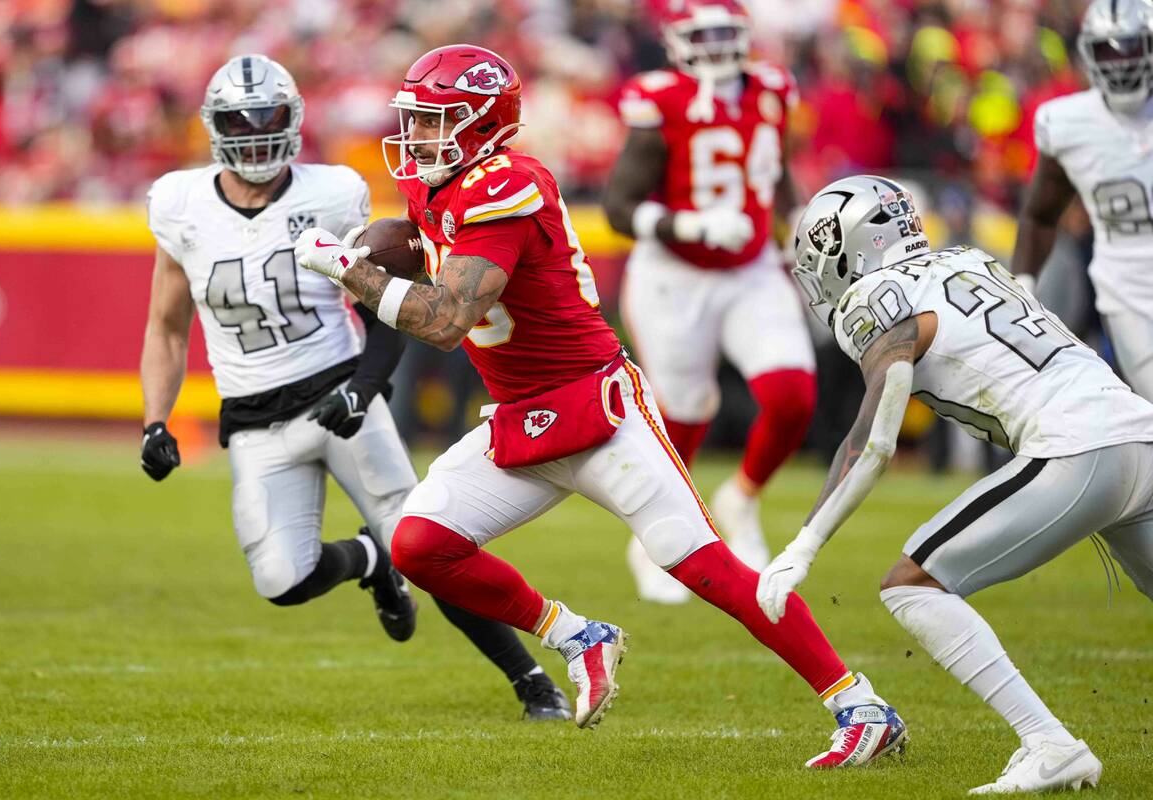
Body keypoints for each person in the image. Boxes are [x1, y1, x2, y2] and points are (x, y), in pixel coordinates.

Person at [294, 44, 907, 767]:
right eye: (417, 121)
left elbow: (445, 320)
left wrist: (351, 268)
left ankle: (860, 704)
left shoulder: (506, 184)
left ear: (485, 125)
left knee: (707, 567)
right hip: (522, 419)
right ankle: (578, 636)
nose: (419, 137)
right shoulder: (438, 189)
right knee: (421, 546)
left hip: (599, 412)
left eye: (436, 122)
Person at [139, 53, 570, 721]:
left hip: (339, 392)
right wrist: (154, 421)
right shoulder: (179, 202)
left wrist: (365, 388)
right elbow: (166, 327)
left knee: (424, 543)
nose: (255, 134)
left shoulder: (333, 193)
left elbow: (391, 302)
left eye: (269, 119)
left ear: (294, 122)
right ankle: (372, 563)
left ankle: (532, 680)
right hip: (253, 418)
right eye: (240, 122)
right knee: (282, 580)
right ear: (214, 127)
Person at [763, 174, 1153, 793]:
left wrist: (801, 547)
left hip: (1077, 448)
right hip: (1138, 431)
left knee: (912, 586)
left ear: (850, 249)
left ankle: (1048, 743)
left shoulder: (875, 298)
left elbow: (875, 439)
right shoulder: (967, 258)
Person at [603, 0, 817, 602]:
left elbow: (771, 168)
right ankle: (656, 537)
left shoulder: (772, 87)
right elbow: (619, 207)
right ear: (676, 40)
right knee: (686, 412)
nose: (720, 45)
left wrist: (796, 219)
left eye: (729, 32)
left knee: (792, 395)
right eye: (707, 34)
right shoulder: (660, 99)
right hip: (675, 276)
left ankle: (741, 499)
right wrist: (690, 228)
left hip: (752, 268)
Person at [1014, 0, 1153, 400]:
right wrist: (1023, 289)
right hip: (1127, 290)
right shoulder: (1069, 125)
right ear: (1089, 55)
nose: (1122, 63)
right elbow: (1040, 215)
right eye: (1110, 51)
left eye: (1131, 48)